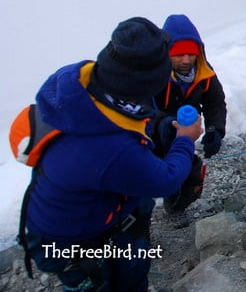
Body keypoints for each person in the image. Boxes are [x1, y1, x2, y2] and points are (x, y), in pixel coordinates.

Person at [17, 17, 202, 291]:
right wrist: (185, 140)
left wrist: (162, 126)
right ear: (149, 81)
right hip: (71, 242)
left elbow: (135, 113)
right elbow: (166, 180)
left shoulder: (83, 80)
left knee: (133, 258)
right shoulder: (112, 149)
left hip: (88, 208)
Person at [155, 14, 227, 159]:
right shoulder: (154, 75)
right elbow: (144, 110)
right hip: (156, 140)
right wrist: (166, 127)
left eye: (191, 53)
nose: (186, 60)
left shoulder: (203, 72)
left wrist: (215, 130)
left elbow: (214, 102)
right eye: (179, 54)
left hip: (187, 136)